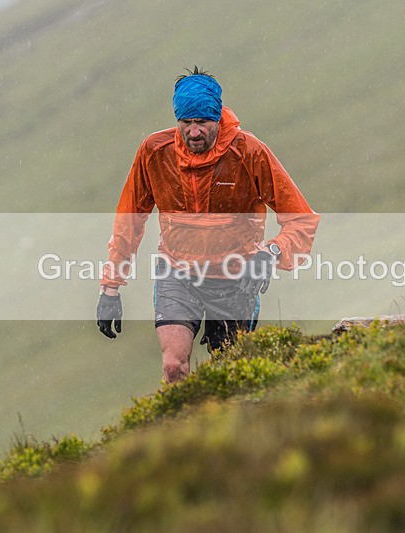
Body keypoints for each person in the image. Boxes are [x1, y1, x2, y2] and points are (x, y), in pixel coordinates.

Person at [96, 67, 319, 384]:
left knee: (232, 375)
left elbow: (301, 219)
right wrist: (110, 288)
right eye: (186, 123)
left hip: (236, 279)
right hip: (177, 274)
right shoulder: (155, 153)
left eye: (202, 122)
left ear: (218, 118)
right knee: (174, 367)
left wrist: (271, 253)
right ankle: (180, 432)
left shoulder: (249, 152)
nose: (194, 132)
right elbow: (128, 222)